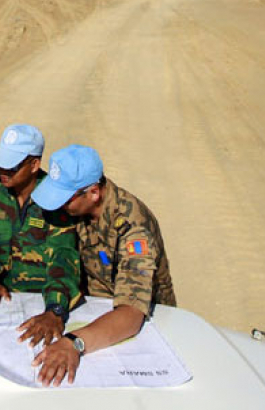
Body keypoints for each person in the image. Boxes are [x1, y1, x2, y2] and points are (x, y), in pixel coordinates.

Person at [29, 144, 176, 387]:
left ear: (94, 193)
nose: (59, 206)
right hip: (95, 311)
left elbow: (131, 314)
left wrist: (73, 343)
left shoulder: (134, 228)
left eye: (64, 199)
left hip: (143, 326)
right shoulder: (78, 207)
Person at [0, 124, 81, 348]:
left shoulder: (55, 199)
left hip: (40, 303)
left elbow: (63, 256)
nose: (3, 172)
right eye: (1, 163)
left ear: (34, 165)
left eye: (12, 166)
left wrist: (55, 309)